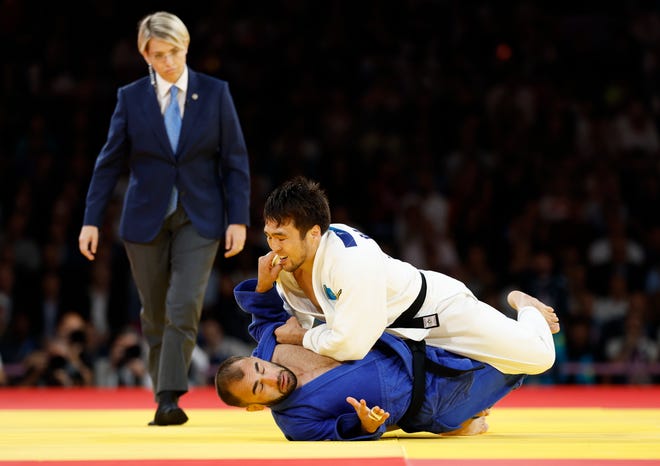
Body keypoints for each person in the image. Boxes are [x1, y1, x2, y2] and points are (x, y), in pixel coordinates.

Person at [78, 11, 250, 425]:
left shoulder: (214, 92)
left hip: (200, 216)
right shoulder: (131, 97)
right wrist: (90, 220)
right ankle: (164, 388)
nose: (168, 61)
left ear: (186, 46)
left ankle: (169, 397)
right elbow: (108, 163)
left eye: (174, 51)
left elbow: (235, 160)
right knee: (154, 312)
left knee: (183, 303)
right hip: (145, 218)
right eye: (158, 54)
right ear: (145, 55)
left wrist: (239, 218)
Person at [256, 176, 557, 375]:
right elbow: (292, 334)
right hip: (396, 336)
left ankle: (527, 307)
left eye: (281, 237)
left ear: (313, 234)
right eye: (269, 236)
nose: (273, 247)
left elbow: (350, 346)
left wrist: (305, 336)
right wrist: (264, 288)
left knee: (539, 358)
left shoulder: (351, 261)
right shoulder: (285, 268)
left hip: (439, 313)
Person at [214, 278, 540, 441]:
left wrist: (263, 279)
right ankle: (461, 421)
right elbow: (346, 433)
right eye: (260, 388)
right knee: (520, 363)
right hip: (433, 403)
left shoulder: (272, 340)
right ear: (255, 407)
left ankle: (521, 306)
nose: (271, 377)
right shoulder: (297, 423)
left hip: (420, 344)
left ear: (255, 357)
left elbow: (262, 306)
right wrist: (367, 425)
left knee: (507, 342)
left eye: (260, 368)